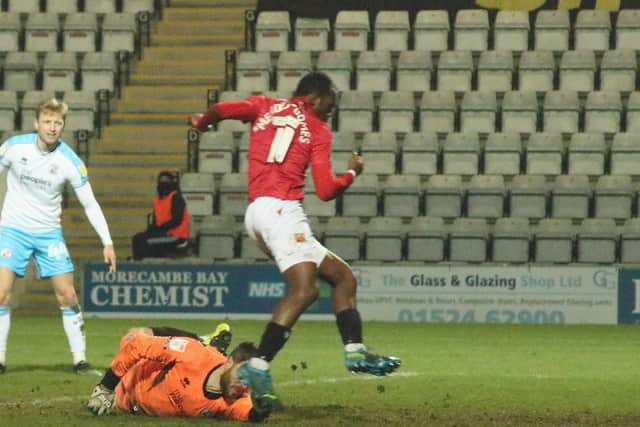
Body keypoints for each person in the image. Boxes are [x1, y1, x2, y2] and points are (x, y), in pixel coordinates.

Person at [188, 72, 401, 408]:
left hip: (257, 212)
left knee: (342, 276)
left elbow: (221, 109)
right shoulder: (317, 128)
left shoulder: (264, 106)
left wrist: (203, 122)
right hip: (283, 210)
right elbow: (328, 190)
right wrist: (353, 172)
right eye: (331, 98)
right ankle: (258, 364)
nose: (334, 105)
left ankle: (355, 351)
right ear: (315, 97)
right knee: (305, 290)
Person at [0, 98, 117, 375]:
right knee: (1, 294)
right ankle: (1, 359)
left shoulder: (70, 161)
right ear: (36, 123)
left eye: (58, 123)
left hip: (48, 234)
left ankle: (80, 360)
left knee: (67, 294)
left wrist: (107, 242)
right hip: (12, 230)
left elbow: (90, 203)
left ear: (62, 126)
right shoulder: (15, 147)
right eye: (48, 122)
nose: (52, 128)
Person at [87, 327, 272, 422]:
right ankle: (202, 339)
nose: (243, 385)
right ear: (230, 361)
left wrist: (261, 411)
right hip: (130, 379)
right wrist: (106, 387)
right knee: (135, 335)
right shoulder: (193, 355)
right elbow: (137, 346)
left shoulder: (234, 398)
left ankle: (205, 340)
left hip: (134, 406)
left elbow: (247, 412)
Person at [131, 170, 190, 260]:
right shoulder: (157, 200)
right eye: (161, 181)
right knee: (137, 238)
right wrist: (152, 229)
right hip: (162, 233)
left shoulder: (176, 197)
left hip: (176, 235)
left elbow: (176, 220)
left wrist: (160, 228)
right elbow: (156, 221)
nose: (163, 183)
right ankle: (139, 264)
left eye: (166, 181)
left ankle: (148, 267)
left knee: (146, 242)